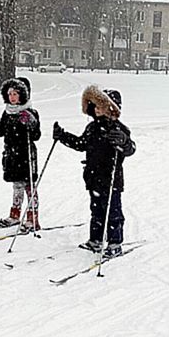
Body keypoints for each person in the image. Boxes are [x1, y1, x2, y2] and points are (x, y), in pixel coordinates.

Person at [52, 85, 136, 257]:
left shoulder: (119, 129)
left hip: (112, 178)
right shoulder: (92, 128)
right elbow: (81, 144)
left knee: (113, 212)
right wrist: (62, 136)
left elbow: (131, 149)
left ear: (110, 108)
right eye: (95, 106)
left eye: (100, 106)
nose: (96, 110)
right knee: (96, 210)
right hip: (93, 177)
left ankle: (114, 243)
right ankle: (95, 240)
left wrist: (124, 142)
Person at [0, 77, 42, 231]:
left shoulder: (30, 112)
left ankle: (32, 219)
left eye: (15, 94)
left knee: (29, 186)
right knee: (17, 186)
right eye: (10, 94)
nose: (12, 97)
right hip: (11, 155)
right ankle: (15, 215)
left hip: (26, 155)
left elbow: (36, 136)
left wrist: (30, 122)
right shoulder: (7, 113)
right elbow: (0, 132)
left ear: (22, 95)